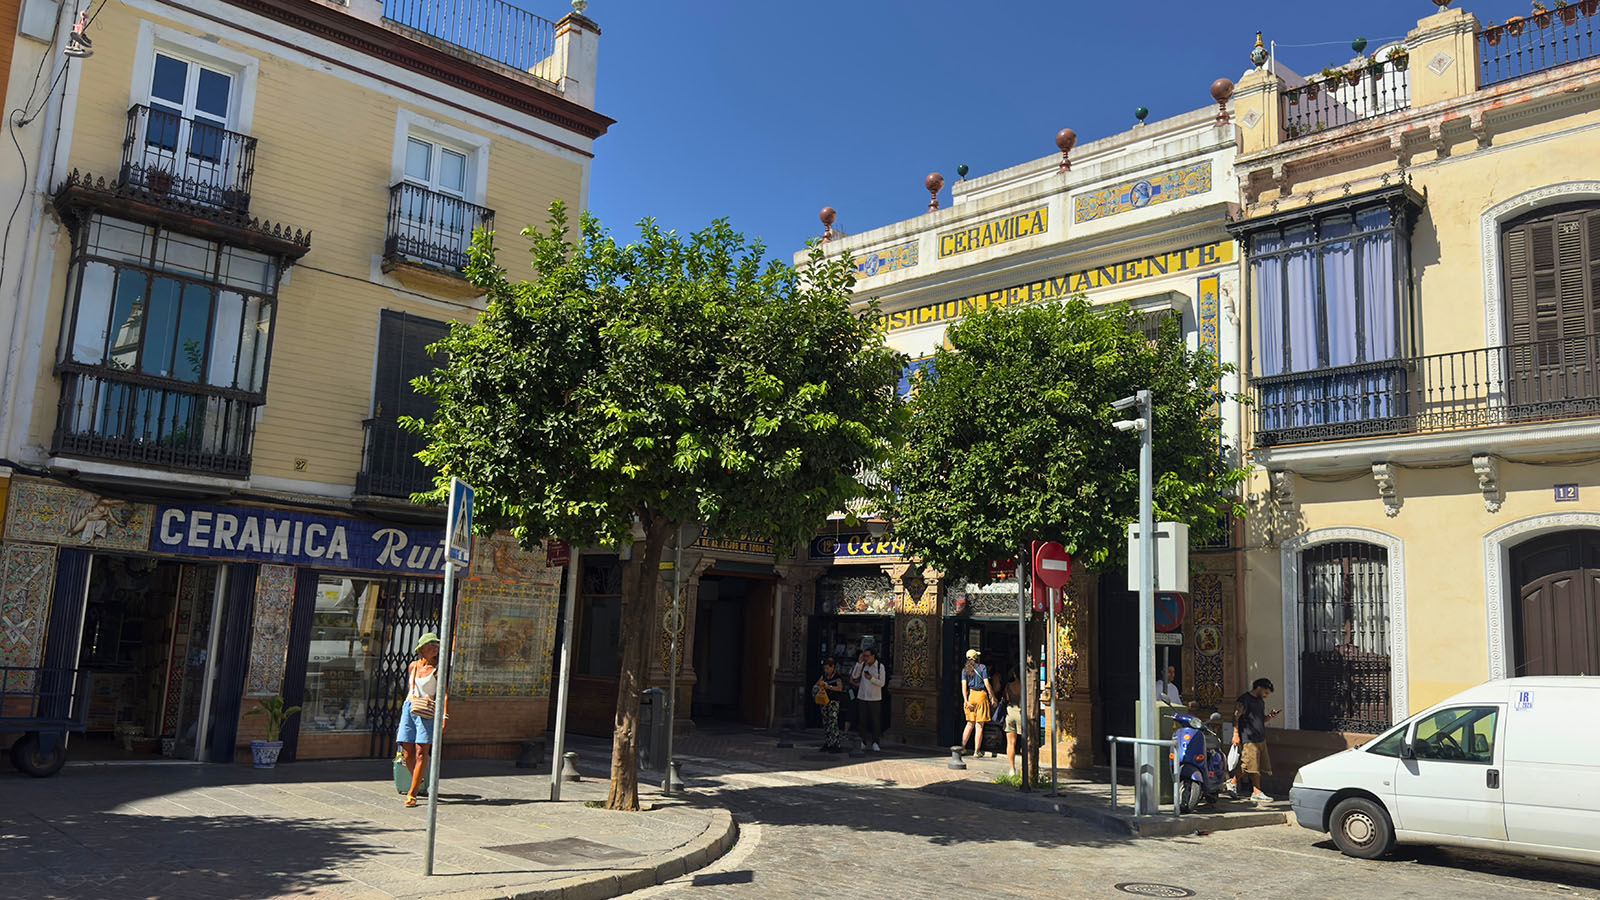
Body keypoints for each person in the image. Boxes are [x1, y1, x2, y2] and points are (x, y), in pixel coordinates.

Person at [398, 632, 446, 808]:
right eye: (431, 645)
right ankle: (418, 781)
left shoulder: (438, 670)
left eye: (437, 645)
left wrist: (444, 716)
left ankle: (413, 794)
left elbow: (444, 694)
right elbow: (411, 688)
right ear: (422, 649)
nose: (435, 648)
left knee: (421, 752)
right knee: (407, 752)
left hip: (426, 712)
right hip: (409, 708)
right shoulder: (413, 666)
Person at [1232, 677, 1279, 802]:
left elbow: (1260, 719)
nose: (1266, 696)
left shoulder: (1260, 701)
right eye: (1266, 693)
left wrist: (1270, 716)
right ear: (1259, 688)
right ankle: (1232, 782)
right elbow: (1236, 717)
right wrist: (1236, 734)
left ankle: (1256, 791)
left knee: (1256, 766)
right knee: (1248, 764)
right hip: (1249, 737)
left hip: (1260, 737)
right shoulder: (1244, 700)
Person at [958, 649, 996, 758]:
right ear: (976, 658)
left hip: (971, 696)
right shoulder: (982, 667)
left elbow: (964, 687)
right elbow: (987, 684)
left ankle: (963, 747)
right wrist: (992, 696)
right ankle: (976, 751)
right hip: (981, 696)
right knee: (979, 726)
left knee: (969, 724)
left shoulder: (964, 670)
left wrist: (966, 701)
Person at [851, 647, 887, 752]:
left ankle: (875, 742)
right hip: (862, 696)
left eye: (867, 656)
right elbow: (854, 676)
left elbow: (882, 683)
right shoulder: (863, 666)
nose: (865, 658)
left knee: (875, 721)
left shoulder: (880, 667)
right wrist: (859, 663)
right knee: (862, 720)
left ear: (873, 656)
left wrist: (871, 678)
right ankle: (862, 741)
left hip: (875, 698)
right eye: (864, 656)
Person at [816, 657, 847, 752]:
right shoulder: (824, 676)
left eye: (828, 668)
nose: (826, 670)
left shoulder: (837, 677)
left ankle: (836, 744)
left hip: (834, 701)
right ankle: (828, 742)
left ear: (833, 667)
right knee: (826, 722)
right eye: (825, 668)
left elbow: (840, 688)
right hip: (824, 701)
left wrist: (828, 687)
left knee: (833, 722)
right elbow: (818, 684)